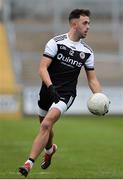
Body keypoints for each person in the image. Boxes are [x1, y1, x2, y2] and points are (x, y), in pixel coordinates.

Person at [19, 8, 102, 177]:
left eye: (89, 24)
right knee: (45, 125)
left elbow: (92, 79)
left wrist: (99, 96)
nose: (88, 27)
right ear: (74, 23)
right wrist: (50, 88)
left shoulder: (87, 52)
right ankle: (50, 149)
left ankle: (28, 163)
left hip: (66, 94)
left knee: (46, 124)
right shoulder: (56, 42)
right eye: (85, 23)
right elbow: (42, 69)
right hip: (48, 90)